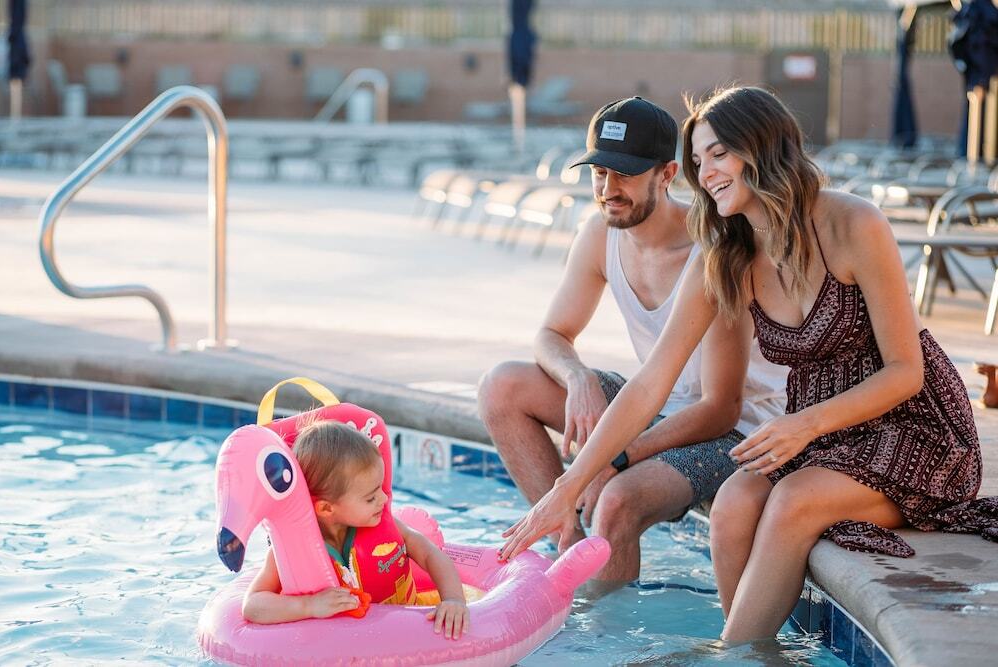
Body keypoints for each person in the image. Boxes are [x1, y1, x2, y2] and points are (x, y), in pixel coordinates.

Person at [498, 85, 998, 642]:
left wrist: (804, 425)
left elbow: (907, 371)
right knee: (734, 503)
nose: (706, 173)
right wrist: (566, 489)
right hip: (815, 432)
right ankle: (754, 648)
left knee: (791, 501)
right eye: (697, 161)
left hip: (911, 426)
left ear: (762, 147)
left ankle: (732, 655)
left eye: (718, 154)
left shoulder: (853, 223)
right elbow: (651, 382)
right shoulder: (726, 253)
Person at [478, 96, 786, 587]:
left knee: (617, 500)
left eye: (624, 174)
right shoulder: (600, 234)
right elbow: (552, 334)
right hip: (654, 404)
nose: (608, 189)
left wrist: (616, 457)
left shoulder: (714, 248)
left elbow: (720, 410)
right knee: (503, 386)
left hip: (735, 431)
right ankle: (569, 553)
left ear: (667, 174)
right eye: (600, 173)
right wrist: (577, 377)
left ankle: (603, 627)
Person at [242, 421, 469, 639]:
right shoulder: (291, 552)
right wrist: (309, 605)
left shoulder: (387, 526)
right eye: (370, 497)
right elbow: (252, 605)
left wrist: (454, 600)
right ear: (326, 508)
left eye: (380, 488)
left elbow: (430, 554)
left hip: (407, 629)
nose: (384, 499)